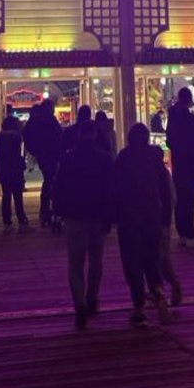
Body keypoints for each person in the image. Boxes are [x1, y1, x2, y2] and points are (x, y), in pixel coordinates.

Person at [51, 118, 114, 329]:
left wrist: (59, 211)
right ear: (96, 135)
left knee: (75, 262)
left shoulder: (69, 159)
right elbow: (111, 188)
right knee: (97, 259)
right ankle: (92, 298)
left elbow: (59, 186)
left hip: (75, 215)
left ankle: (79, 305)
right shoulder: (104, 159)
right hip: (98, 214)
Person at [113, 123, 173, 327]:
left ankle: (138, 305)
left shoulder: (123, 158)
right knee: (151, 257)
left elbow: (117, 188)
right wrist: (166, 218)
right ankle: (158, 292)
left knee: (132, 262)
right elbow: (165, 188)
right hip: (152, 214)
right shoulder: (154, 158)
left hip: (129, 216)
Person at [166, 87, 194, 247]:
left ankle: (183, 232)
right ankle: (189, 233)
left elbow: (171, 139)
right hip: (188, 162)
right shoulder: (185, 117)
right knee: (188, 198)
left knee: (181, 199)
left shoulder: (174, 115)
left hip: (180, 161)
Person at [23, 99, 63, 227]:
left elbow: (28, 136)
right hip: (52, 154)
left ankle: (46, 211)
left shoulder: (35, 120)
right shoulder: (50, 120)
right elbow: (59, 135)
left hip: (42, 155)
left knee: (48, 180)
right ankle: (52, 209)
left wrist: (35, 151)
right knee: (52, 180)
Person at [0, 115, 30, 232]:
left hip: (4, 169)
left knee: (6, 196)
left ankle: (7, 223)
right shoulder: (18, 138)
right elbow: (20, 154)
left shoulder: (0, 138)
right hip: (15, 170)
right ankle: (22, 221)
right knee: (18, 196)